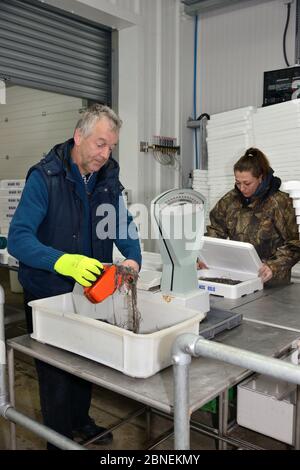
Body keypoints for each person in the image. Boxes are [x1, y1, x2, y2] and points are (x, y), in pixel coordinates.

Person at [8, 104, 141, 449]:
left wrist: (133, 258)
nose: (105, 153)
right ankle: (59, 439)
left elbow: (122, 226)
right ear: (78, 136)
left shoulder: (108, 180)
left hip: (91, 291)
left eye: (111, 146)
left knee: (86, 361)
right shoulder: (44, 177)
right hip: (48, 294)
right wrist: (63, 262)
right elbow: (19, 240)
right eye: (100, 144)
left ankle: (80, 421)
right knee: (54, 376)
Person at [201, 147, 300, 285]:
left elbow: (295, 243)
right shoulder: (230, 200)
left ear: (261, 178)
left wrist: (274, 266)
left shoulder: (279, 203)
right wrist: (205, 257)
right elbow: (215, 232)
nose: (242, 188)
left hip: (273, 283)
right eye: (237, 182)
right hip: (239, 279)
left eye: (247, 183)